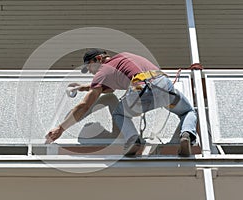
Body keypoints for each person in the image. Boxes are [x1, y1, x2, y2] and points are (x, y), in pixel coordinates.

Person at [46, 48, 197, 156]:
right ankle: (186, 136)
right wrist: (83, 87)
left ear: (98, 59)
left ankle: (133, 140)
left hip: (141, 91)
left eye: (89, 67)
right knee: (187, 111)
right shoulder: (125, 57)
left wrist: (61, 128)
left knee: (119, 113)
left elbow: (85, 105)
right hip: (164, 86)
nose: (91, 72)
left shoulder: (103, 71)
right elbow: (109, 88)